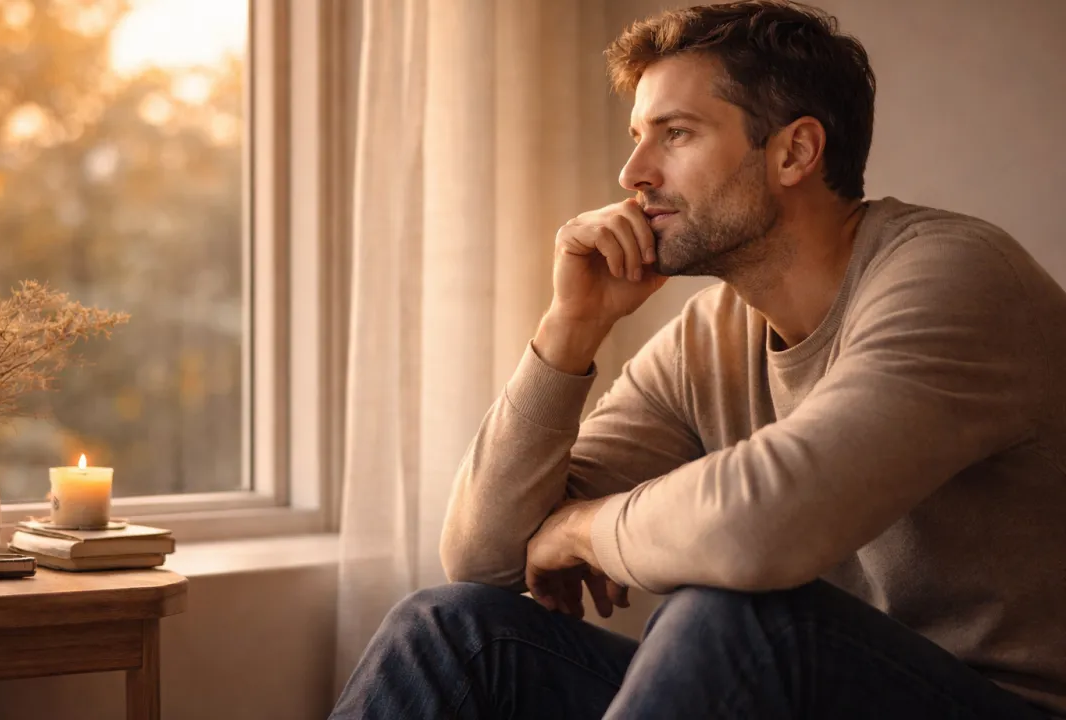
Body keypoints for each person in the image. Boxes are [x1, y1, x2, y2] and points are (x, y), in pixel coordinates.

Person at [330, 1, 1066, 718]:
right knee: (452, 631)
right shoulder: (709, 337)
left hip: (1000, 702)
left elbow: (762, 527)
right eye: (637, 136)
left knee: (733, 616)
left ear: (794, 152)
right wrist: (570, 328)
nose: (634, 174)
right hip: (802, 693)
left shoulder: (955, 278)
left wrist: (583, 529)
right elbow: (483, 557)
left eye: (674, 134)